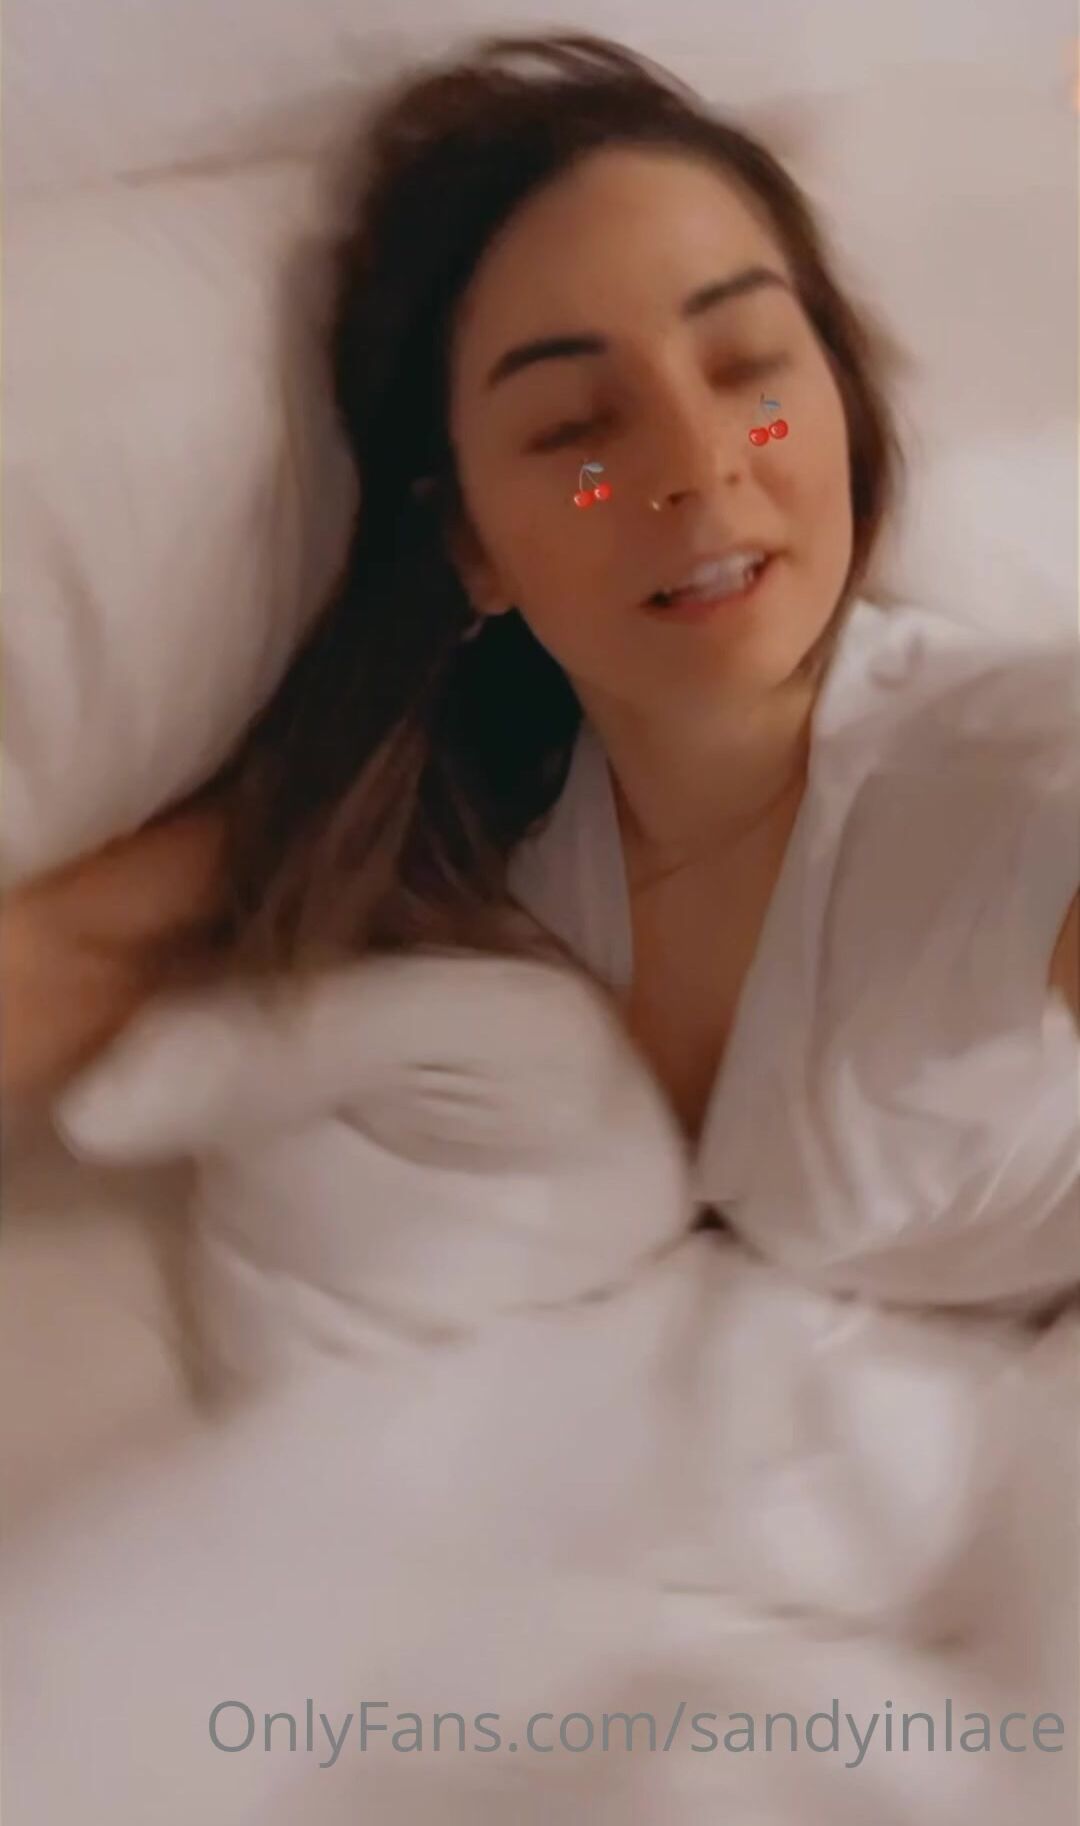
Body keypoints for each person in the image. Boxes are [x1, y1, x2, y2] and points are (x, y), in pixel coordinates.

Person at [4, 30, 1077, 1261]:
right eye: (575, 429)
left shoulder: (992, 780)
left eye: (750, 370)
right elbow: (73, 948)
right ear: (473, 545)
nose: (699, 463)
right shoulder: (483, 798)